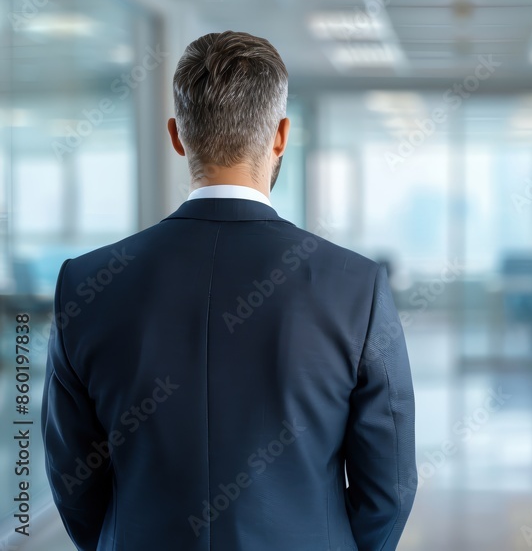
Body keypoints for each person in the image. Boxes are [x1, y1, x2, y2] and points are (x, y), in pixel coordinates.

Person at [41, 31, 416, 551]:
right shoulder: (356, 287)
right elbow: (389, 489)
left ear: (177, 136)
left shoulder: (85, 285)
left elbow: (72, 480)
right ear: (282, 135)